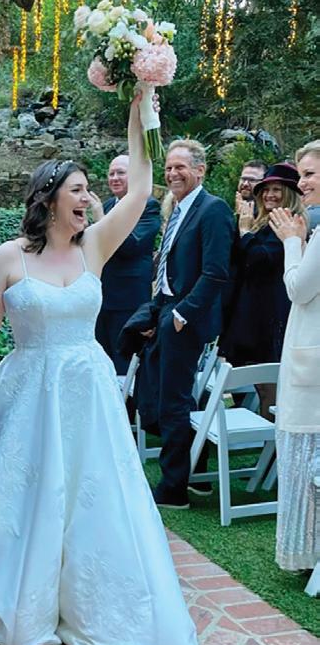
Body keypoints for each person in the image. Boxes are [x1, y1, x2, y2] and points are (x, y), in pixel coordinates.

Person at [0, 94, 199, 645]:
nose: (88, 199)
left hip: (87, 392)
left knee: (93, 494)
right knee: (20, 495)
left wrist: (140, 112)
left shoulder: (95, 246)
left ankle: (91, 600)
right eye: (78, 190)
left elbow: (140, 188)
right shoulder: (10, 257)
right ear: (49, 198)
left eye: (88, 191)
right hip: (28, 390)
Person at [136, 139, 234, 509]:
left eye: (180, 167)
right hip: (166, 311)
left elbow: (216, 272)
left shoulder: (213, 210)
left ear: (200, 170)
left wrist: (181, 315)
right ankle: (195, 469)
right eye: (169, 168)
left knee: (174, 401)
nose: (172, 174)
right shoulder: (178, 210)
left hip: (186, 319)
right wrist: (157, 311)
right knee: (160, 396)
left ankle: (173, 488)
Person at [270, 140, 320, 572]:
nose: (300, 183)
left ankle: (308, 553)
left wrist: (291, 242)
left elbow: (298, 289)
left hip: (311, 359)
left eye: (309, 174)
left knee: (305, 457)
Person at [220, 163, 307, 413]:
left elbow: (261, 260)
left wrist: (246, 232)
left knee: (270, 385)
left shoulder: (290, 223)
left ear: (289, 193)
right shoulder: (261, 222)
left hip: (270, 313)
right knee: (255, 383)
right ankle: (259, 426)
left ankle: (273, 432)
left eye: (276, 189)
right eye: (266, 190)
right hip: (248, 311)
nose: (269, 195)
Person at [94, 154, 160, 375]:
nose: (114, 178)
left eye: (120, 173)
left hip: (128, 299)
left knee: (124, 364)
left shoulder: (148, 206)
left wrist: (100, 218)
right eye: (111, 173)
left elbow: (130, 246)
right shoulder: (107, 205)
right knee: (101, 363)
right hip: (102, 297)